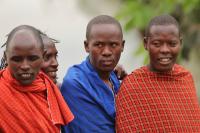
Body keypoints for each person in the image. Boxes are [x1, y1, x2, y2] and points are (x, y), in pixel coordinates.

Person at [115, 14, 200, 132]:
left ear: (180, 43)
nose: (165, 50)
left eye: (172, 44)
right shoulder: (132, 86)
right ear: (146, 43)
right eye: (157, 44)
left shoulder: (185, 77)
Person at [0, 25, 74, 132]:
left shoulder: (50, 90)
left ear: (41, 56)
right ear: (6, 58)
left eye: (32, 58)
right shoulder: (3, 90)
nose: (25, 66)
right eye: (17, 59)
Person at [61, 15, 125, 133]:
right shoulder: (76, 82)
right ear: (87, 46)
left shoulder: (115, 78)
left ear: (122, 46)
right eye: (99, 45)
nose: (106, 52)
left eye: (113, 45)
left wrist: (127, 81)